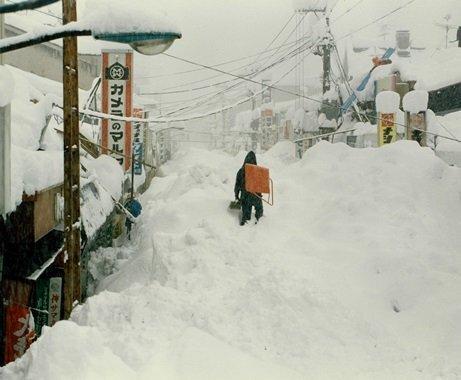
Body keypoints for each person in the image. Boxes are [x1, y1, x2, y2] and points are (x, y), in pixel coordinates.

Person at [234, 151, 263, 226]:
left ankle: (245, 221)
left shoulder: (241, 171)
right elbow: (262, 185)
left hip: (245, 196)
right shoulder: (259, 171)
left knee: (246, 214)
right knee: (259, 211)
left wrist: (236, 196)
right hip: (256, 196)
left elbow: (237, 185)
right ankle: (259, 221)